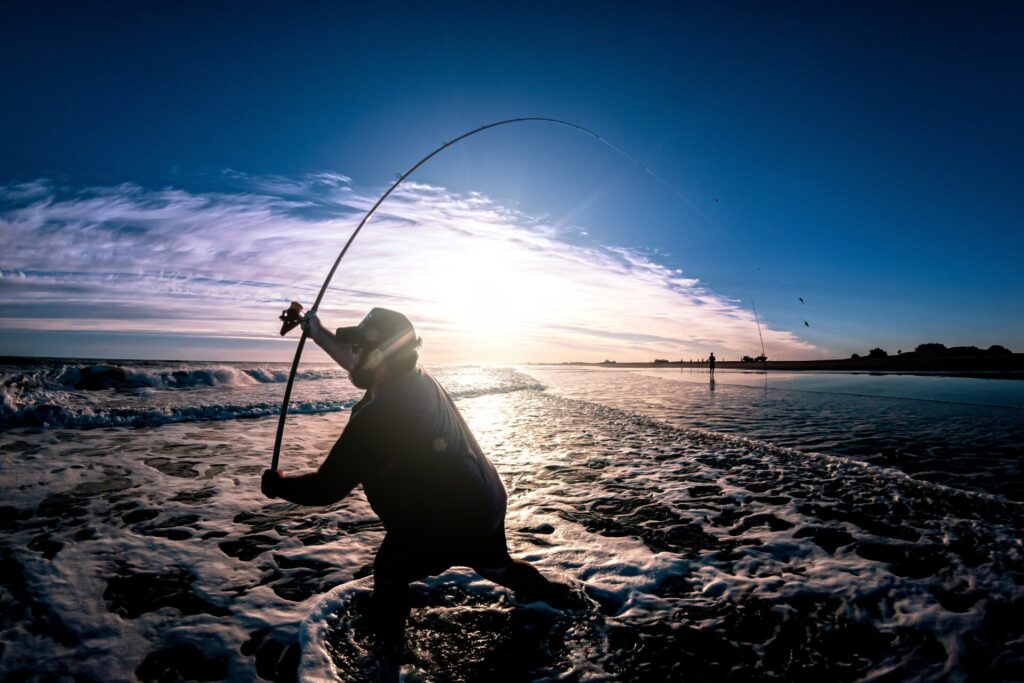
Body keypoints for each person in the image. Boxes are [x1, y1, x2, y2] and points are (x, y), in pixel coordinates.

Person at [261, 307, 575, 633]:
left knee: (390, 570)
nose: (353, 354)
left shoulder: (379, 418)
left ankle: (388, 653)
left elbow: (326, 488)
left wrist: (279, 485)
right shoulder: (411, 375)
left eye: (360, 347)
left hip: (445, 517)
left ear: (379, 355)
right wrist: (315, 330)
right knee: (497, 567)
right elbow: (358, 363)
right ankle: (560, 601)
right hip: (483, 498)